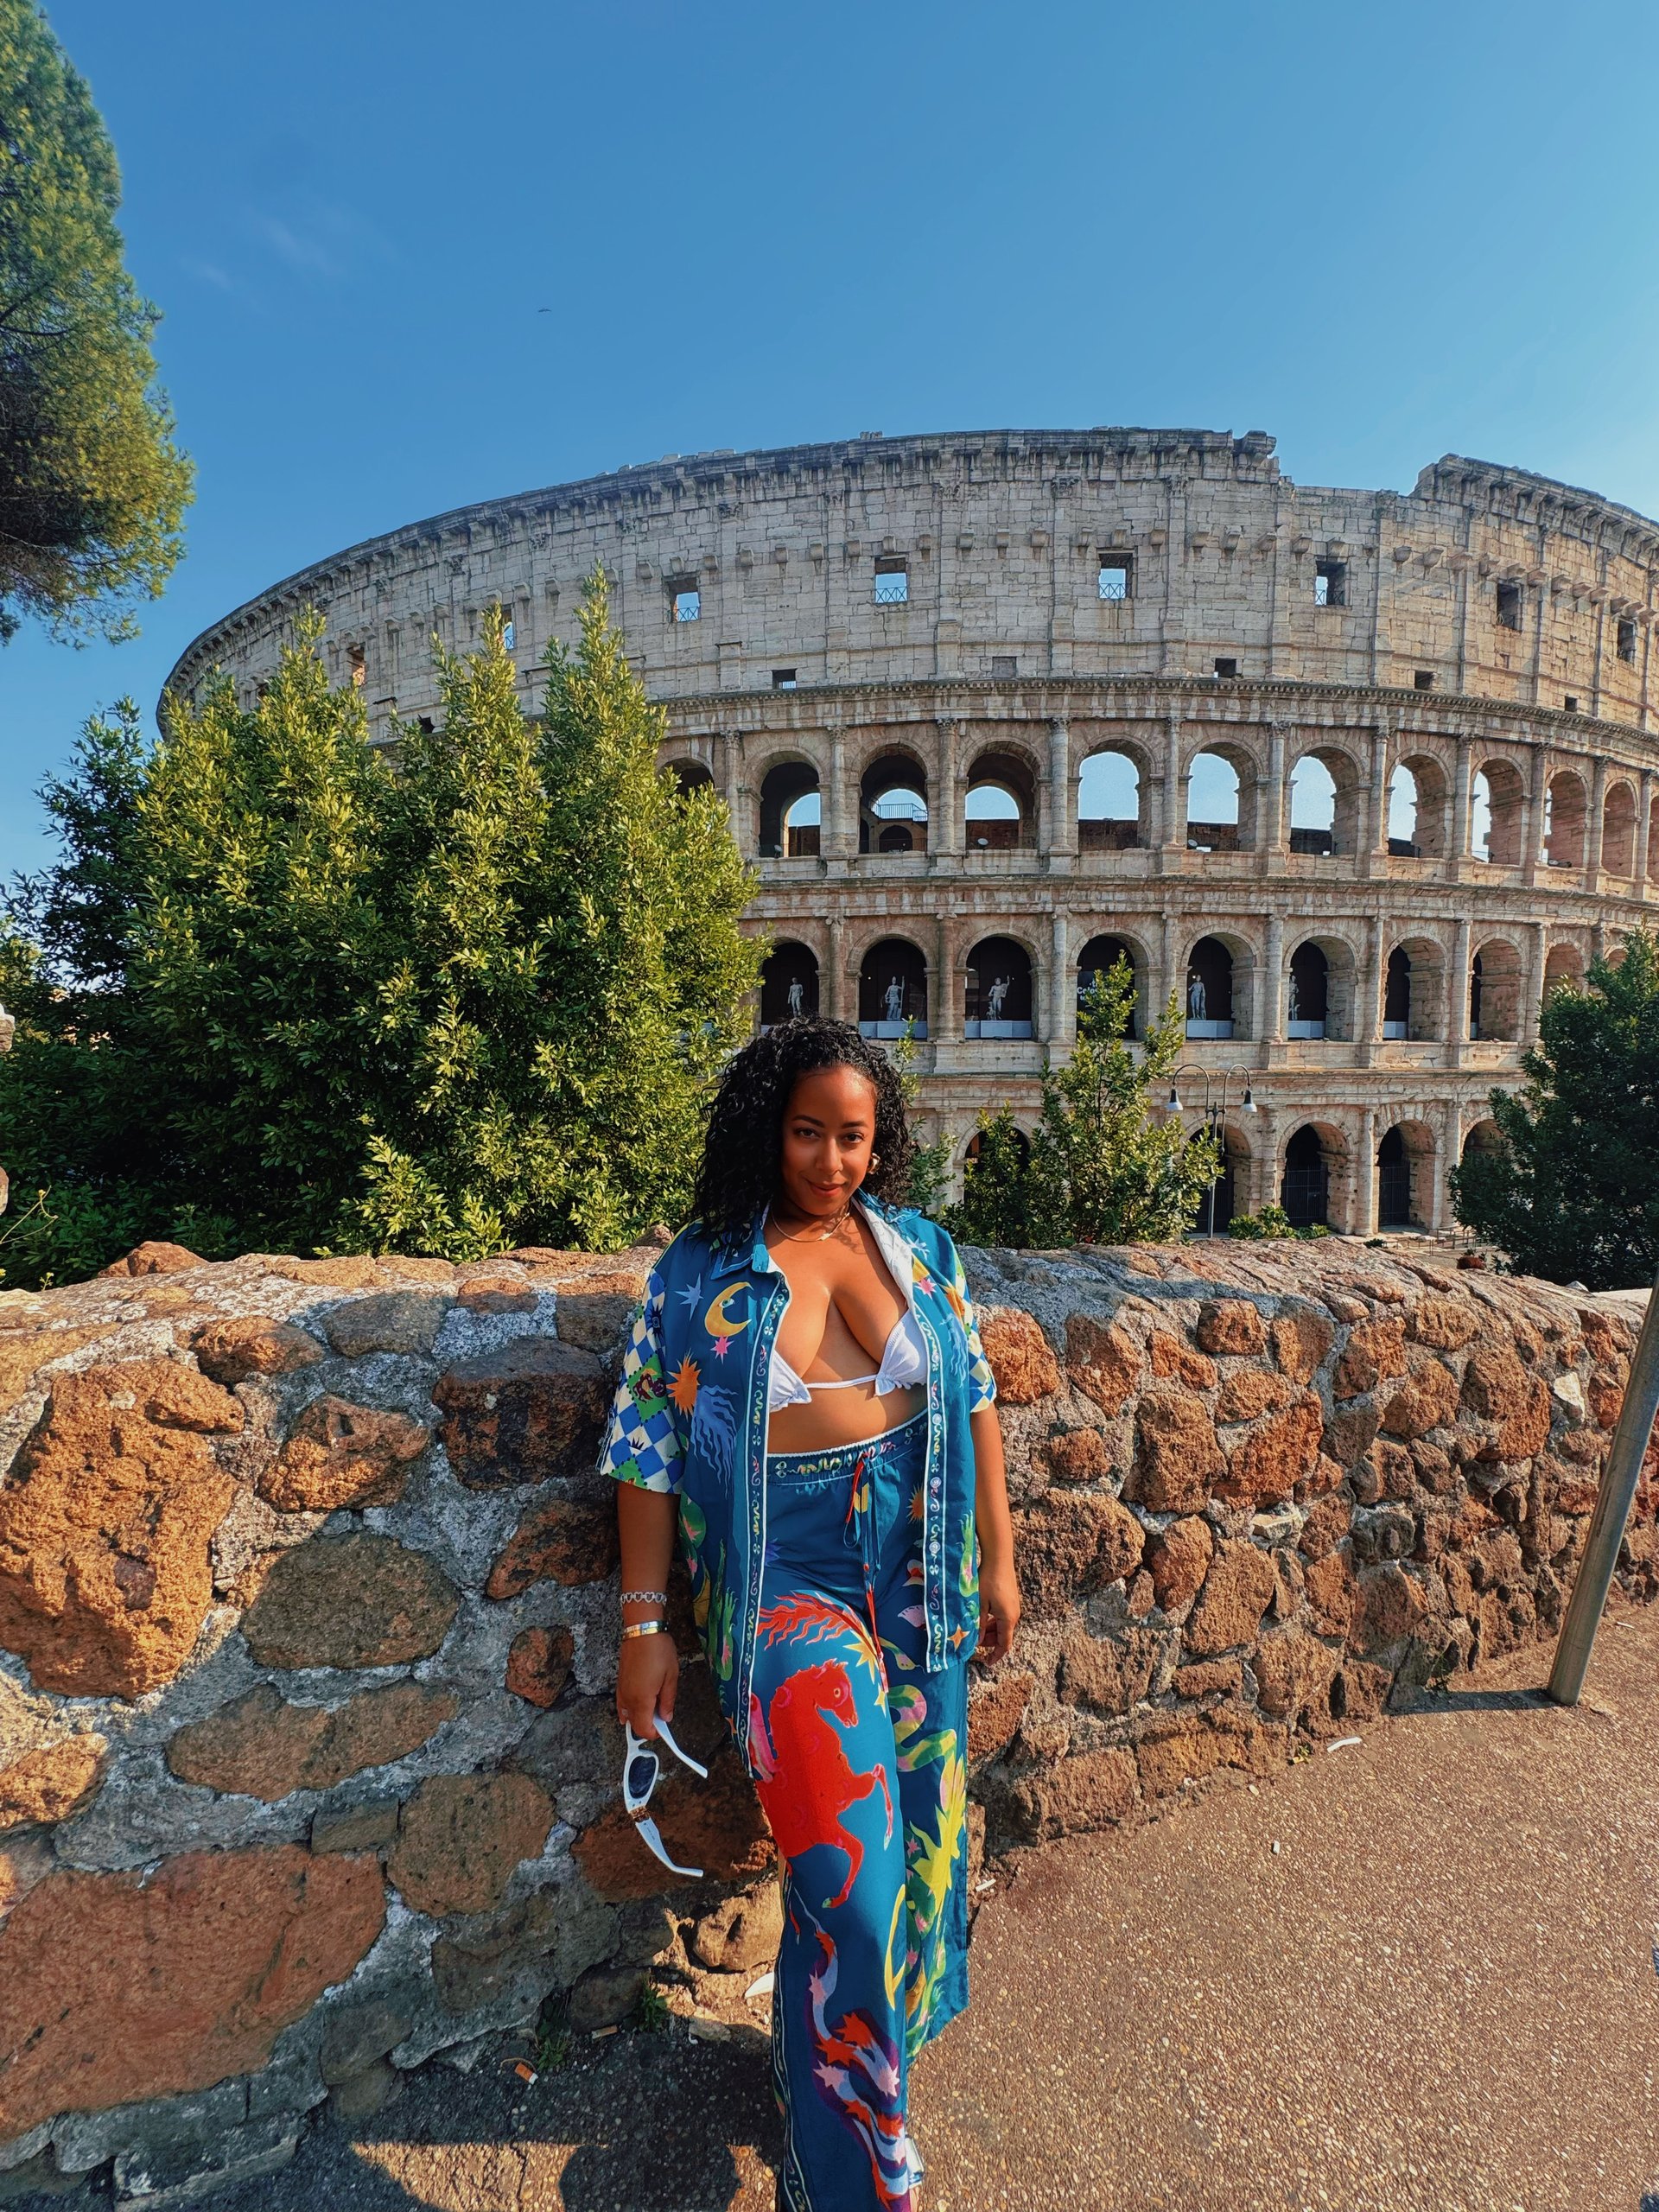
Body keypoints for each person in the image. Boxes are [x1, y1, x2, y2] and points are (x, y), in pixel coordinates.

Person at [602, 1016, 1020, 2211]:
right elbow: (646, 1450)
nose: (831, 1161)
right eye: (806, 1134)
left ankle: (815, 2070)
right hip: (786, 1586)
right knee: (852, 1879)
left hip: (918, 1575)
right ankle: (853, 2180)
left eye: (853, 1137)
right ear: (764, 1131)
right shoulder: (699, 1270)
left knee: (922, 1861)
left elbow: (976, 1398)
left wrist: (999, 1555)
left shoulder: (920, 1247)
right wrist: (647, 1625)